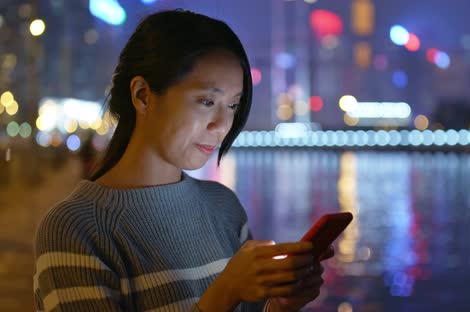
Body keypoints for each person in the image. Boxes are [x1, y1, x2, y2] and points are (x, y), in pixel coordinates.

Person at [33, 10, 333, 312]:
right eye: (206, 102)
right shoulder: (74, 229)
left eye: (232, 105)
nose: (221, 124)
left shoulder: (224, 208)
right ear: (142, 95)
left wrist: (280, 306)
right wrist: (225, 292)